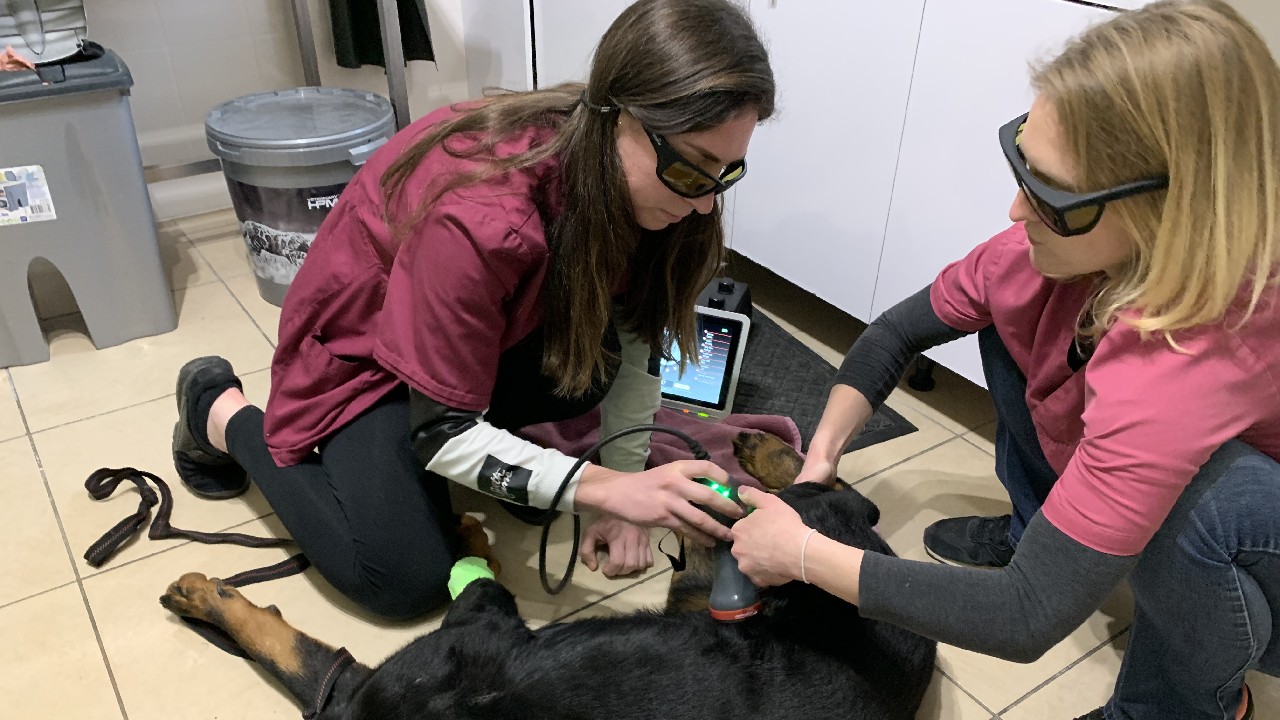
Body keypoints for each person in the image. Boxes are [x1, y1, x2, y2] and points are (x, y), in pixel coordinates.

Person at [730, 1, 1278, 718]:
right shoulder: (1040, 255)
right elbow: (893, 335)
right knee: (1010, 319)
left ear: (1171, 210)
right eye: (1023, 163)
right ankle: (1034, 530)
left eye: (1052, 198)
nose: (1016, 210)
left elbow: (1025, 615)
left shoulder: (1188, 351)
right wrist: (820, 461)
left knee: (1200, 500)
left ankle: (1180, 708)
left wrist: (802, 555)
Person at [170, 0, 774, 621]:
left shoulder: (652, 182)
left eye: (727, 172)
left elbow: (639, 335)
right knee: (403, 580)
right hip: (368, 355)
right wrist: (607, 487)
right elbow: (441, 431)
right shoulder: (482, 218)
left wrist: (619, 494)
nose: (707, 204)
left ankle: (480, 446)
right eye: (694, 169)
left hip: (483, 326)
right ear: (620, 116)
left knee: (591, 371)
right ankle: (217, 410)